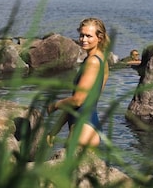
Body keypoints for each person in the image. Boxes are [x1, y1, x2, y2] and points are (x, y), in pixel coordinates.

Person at [47, 17, 110, 148]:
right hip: (91, 126)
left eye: (88, 36)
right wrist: (55, 130)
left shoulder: (92, 62)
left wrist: (55, 105)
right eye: (82, 35)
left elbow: (78, 100)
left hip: (82, 131)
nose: (84, 39)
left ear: (100, 38)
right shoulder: (102, 60)